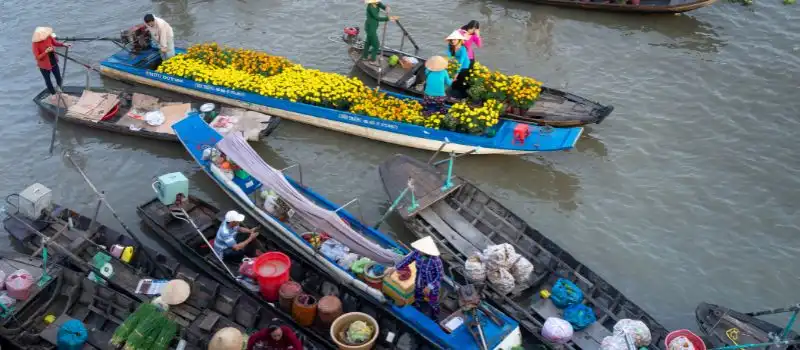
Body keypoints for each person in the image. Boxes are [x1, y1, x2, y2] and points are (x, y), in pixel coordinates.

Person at [386, 236, 444, 319]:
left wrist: (429, 287)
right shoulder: (417, 253)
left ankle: (434, 317)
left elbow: (440, 276)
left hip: (432, 284)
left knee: (433, 301)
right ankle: (419, 307)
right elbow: (407, 260)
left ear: (426, 251)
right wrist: (395, 268)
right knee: (418, 294)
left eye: (421, 249)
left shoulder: (436, 261)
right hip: (420, 278)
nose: (418, 250)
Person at [31, 27, 71, 95]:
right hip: (44, 66)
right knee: (48, 81)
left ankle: (60, 90)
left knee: (58, 77)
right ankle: (53, 93)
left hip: (53, 61)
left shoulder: (48, 37)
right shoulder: (35, 44)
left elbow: (55, 43)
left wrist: (63, 44)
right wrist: (46, 52)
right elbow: (38, 57)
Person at [361, 0, 399, 65]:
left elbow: (381, 5)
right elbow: (377, 17)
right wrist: (388, 18)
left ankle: (364, 56)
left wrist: (386, 8)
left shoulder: (376, 3)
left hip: (373, 26)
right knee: (376, 45)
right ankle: (373, 60)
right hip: (370, 27)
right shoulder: (370, 7)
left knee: (368, 42)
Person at [445, 30, 471, 98]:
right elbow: (449, 57)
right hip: (455, 63)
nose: (453, 41)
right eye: (452, 40)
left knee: (460, 80)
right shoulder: (450, 46)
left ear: (459, 40)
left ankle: (460, 95)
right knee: (453, 80)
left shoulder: (463, 49)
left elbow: (461, 62)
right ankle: (452, 92)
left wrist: (456, 73)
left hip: (464, 66)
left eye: (455, 39)